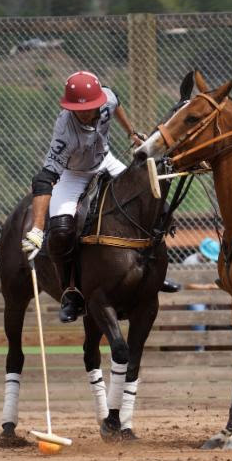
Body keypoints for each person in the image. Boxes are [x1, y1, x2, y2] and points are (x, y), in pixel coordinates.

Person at [20, 70, 178, 323]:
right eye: (78, 109)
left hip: (105, 161)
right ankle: (71, 293)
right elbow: (44, 178)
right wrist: (37, 229)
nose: (84, 112)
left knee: (155, 205)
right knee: (60, 231)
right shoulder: (65, 130)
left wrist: (131, 132)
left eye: (90, 107)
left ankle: (153, 273)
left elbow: (116, 101)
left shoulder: (107, 99)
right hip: (72, 174)